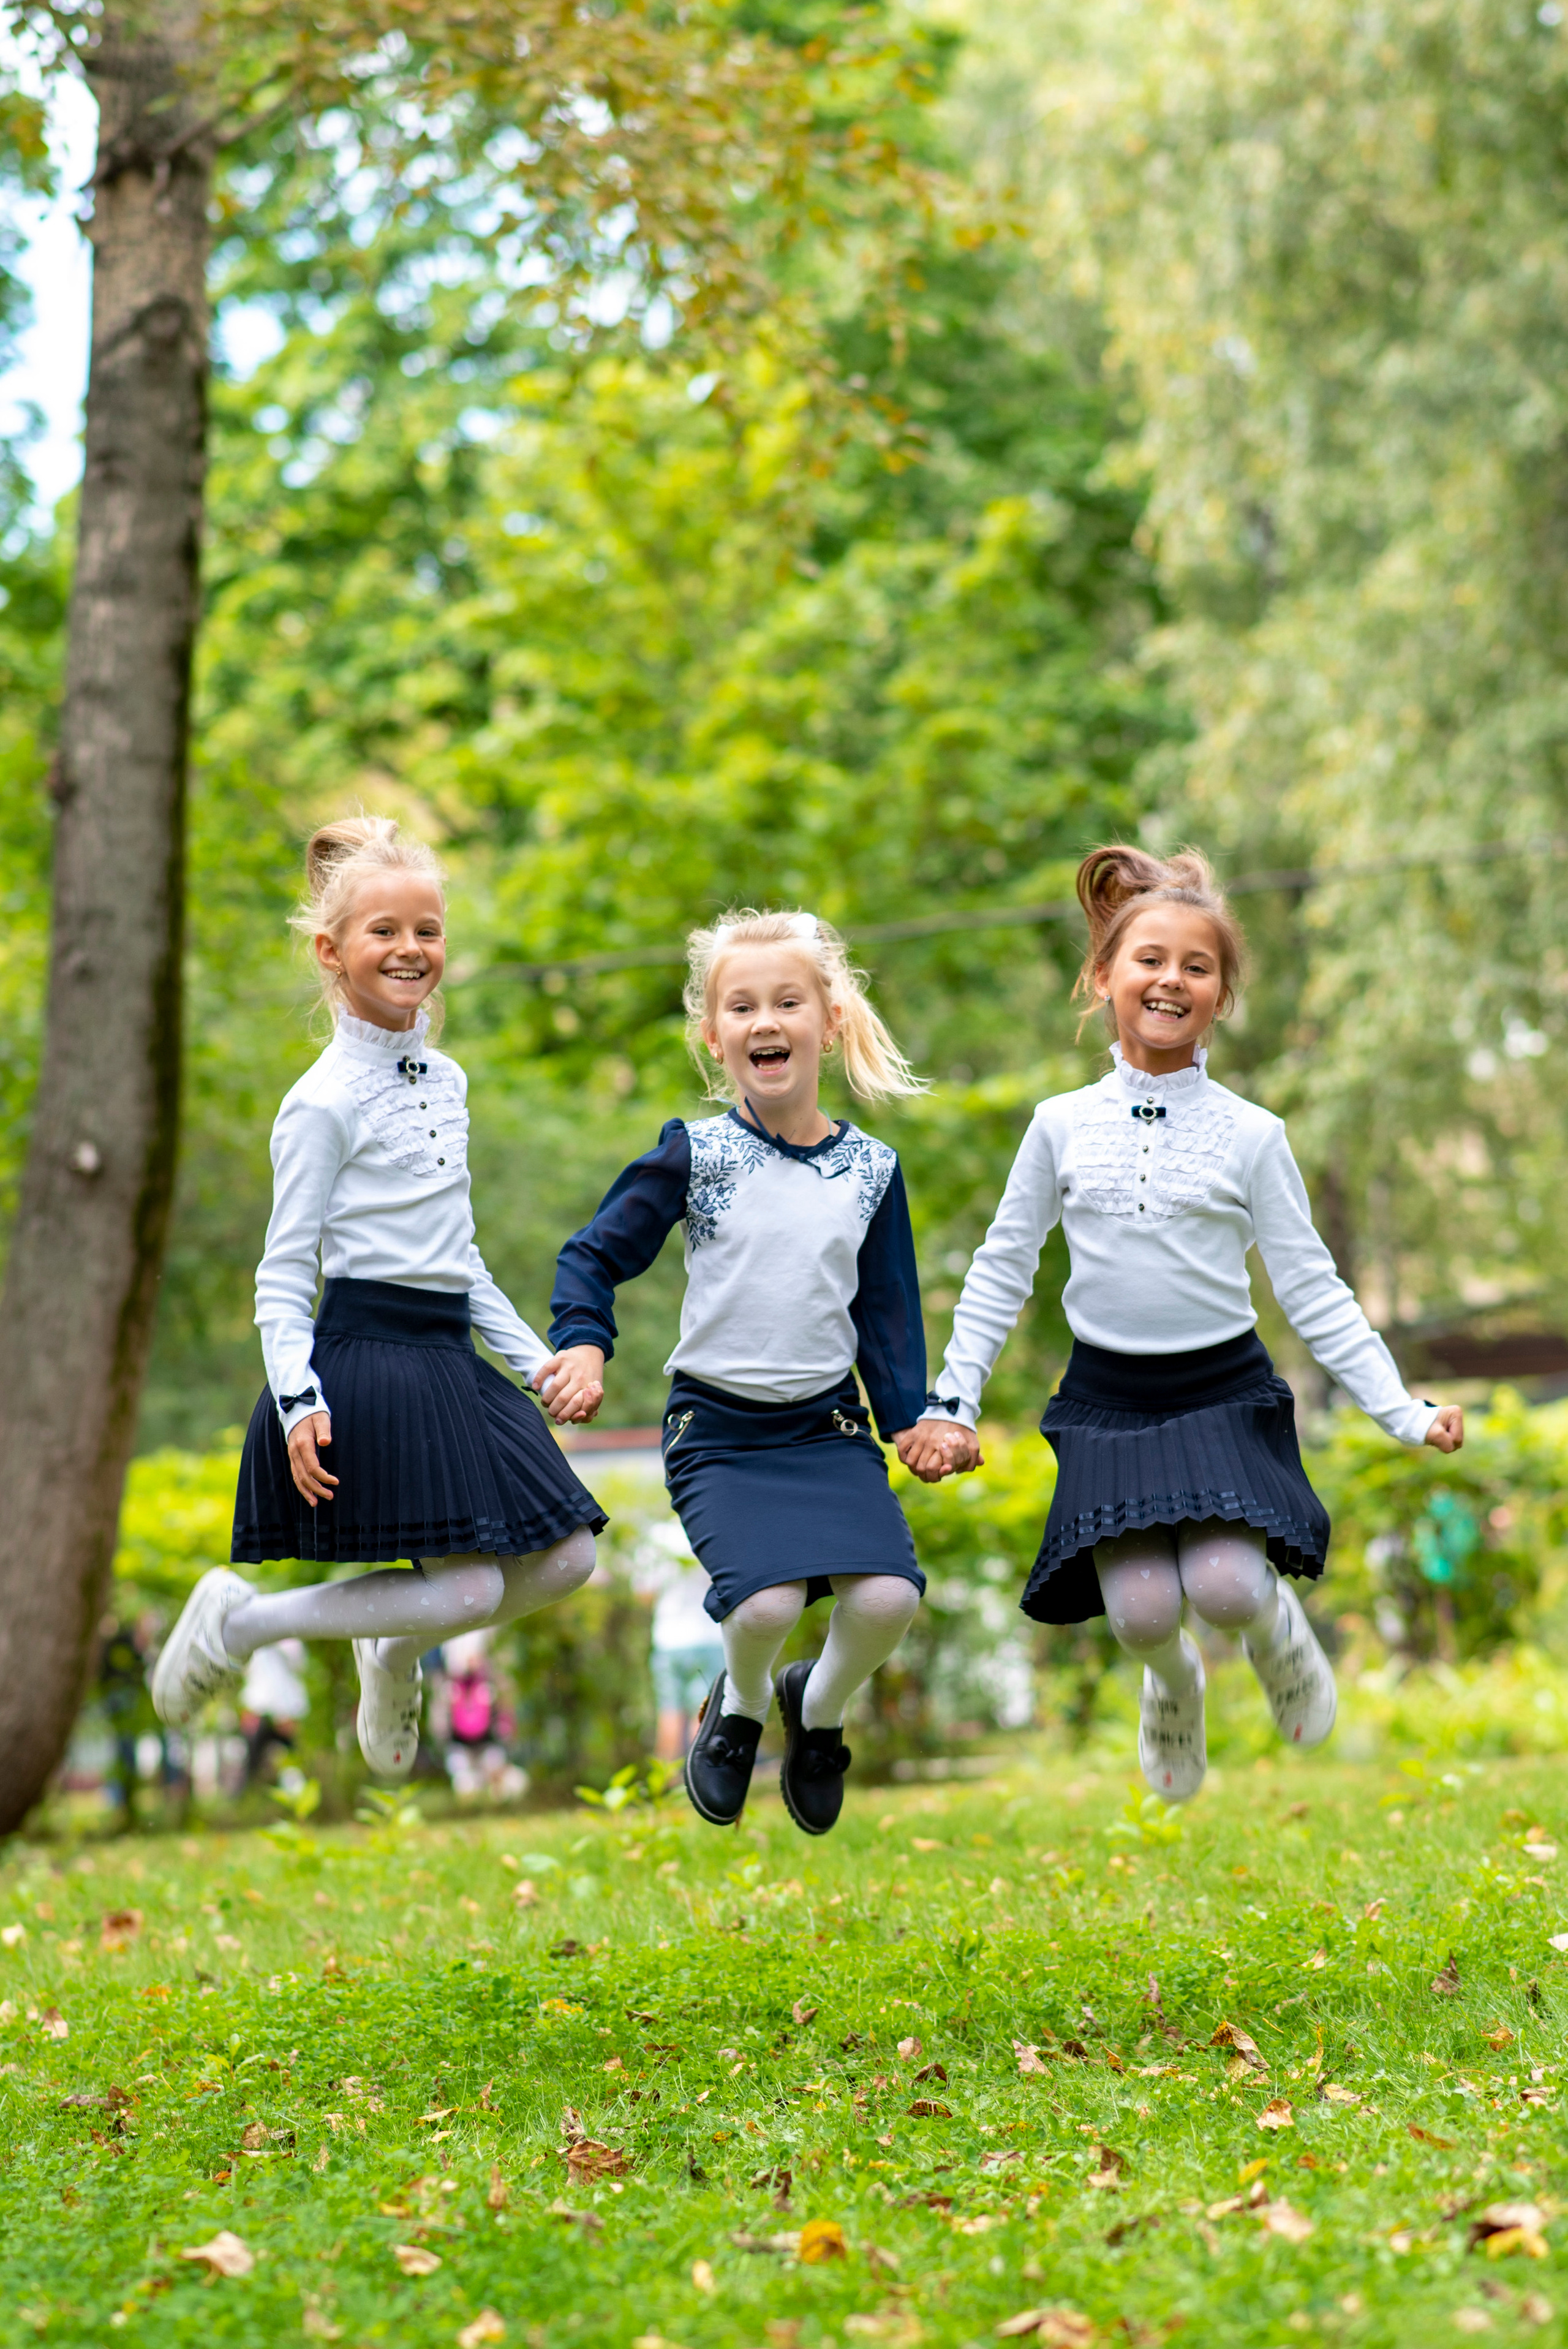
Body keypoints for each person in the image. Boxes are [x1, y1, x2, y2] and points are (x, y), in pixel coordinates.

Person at [903, 845, 1463, 1802]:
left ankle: (1278, 1633)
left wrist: (1400, 1410)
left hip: (1220, 1392)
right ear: (1104, 978)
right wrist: (952, 1400)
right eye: (1149, 959)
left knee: (1231, 1586)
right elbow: (1001, 1268)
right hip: (1109, 1399)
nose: (1171, 979)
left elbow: (1313, 1285)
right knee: (1144, 1611)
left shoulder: (1253, 1134)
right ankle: (1173, 1686)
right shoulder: (1059, 1123)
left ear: (1221, 996)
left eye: (1197, 967)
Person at [151, 815, 606, 1780]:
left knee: (570, 1558)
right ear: (332, 949)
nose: (411, 949)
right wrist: (296, 1397)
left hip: (452, 1358)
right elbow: (282, 1275)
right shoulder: (320, 1101)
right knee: (473, 1587)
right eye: (384, 932)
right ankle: (247, 1623)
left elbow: (462, 1255)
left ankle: (388, 1645)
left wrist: (534, 1359)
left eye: (428, 930)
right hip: (367, 1361)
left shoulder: (448, 1079)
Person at [540, 909, 940, 1836]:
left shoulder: (873, 1171)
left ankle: (820, 1709)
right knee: (760, 1606)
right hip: (717, 1430)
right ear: (714, 1036)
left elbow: (885, 1318)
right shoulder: (696, 1151)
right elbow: (592, 1256)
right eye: (742, 1006)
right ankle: (744, 1706)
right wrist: (586, 1340)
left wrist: (913, 1418)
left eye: (788, 1001)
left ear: (829, 1022)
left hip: (826, 1428)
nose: (767, 1020)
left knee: (888, 1598)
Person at [635, 1521, 728, 1763]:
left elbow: (644, 1594)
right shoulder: (713, 1527)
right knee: (703, 1711)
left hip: (669, 1639)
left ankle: (666, 1780)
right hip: (708, 1635)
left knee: (669, 1710)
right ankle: (700, 1776)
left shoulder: (657, 1536)